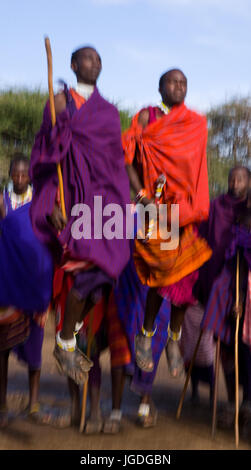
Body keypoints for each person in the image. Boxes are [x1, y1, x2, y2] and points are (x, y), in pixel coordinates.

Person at [30, 46, 130, 386]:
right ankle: (66, 342)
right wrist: (52, 204)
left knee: (111, 268)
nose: (96, 63)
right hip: (72, 201)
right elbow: (45, 156)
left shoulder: (109, 112)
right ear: (74, 65)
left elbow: (115, 162)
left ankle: (66, 336)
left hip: (105, 200)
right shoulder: (59, 102)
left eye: (100, 58)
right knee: (90, 264)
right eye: (88, 58)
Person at [122, 69, 211, 377]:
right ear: (160, 87)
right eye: (173, 81)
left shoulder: (195, 124)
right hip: (156, 210)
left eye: (184, 82)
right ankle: (145, 334)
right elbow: (128, 161)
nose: (179, 86)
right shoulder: (147, 117)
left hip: (185, 211)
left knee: (186, 278)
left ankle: (173, 339)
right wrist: (142, 194)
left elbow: (197, 170)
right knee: (161, 273)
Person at [198, 166, 251, 435]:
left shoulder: (249, 211)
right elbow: (206, 239)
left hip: (246, 290)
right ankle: (231, 405)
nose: (234, 182)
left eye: (240, 179)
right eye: (232, 178)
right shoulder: (217, 206)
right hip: (221, 284)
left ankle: (247, 407)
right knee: (225, 348)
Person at [0, 154, 51, 427]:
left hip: (34, 283)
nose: (19, 179)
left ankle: (33, 404)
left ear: (29, 175)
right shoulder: (1, 201)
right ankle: (2, 404)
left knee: (35, 343)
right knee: (3, 346)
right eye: (15, 174)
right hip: (7, 284)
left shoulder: (39, 202)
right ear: (9, 174)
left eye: (23, 174)